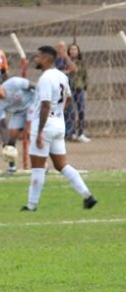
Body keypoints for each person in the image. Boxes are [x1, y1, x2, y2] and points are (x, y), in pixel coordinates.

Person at [21, 46, 97, 212]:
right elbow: (68, 98)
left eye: (39, 56)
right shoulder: (61, 76)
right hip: (58, 125)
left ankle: (31, 205)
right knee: (62, 165)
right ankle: (87, 196)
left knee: (38, 166)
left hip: (45, 126)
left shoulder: (46, 78)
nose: (36, 59)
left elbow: (46, 105)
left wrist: (40, 131)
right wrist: (58, 113)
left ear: (47, 58)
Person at [0, 77, 34, 174]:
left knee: (30, 132)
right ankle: (11, 167)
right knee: (11, 138)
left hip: (32, 104)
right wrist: (5, 141)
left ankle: (42, 165)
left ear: (1, 86)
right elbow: (3, 124)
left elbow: (33, 85)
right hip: (18, 113)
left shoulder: (14, 82)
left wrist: (43, 97)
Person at [65, 43, 90, 143]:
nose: (73, 51)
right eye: (71, 49)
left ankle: (80, 133)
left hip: (79, 89)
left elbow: (85, 76)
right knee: (70, 112)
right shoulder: (65, 62)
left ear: (78, 51)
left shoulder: (81, 63)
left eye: (75, 50)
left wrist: (85, 89)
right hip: (69, 90)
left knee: (81, 111)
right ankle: (70, 133)